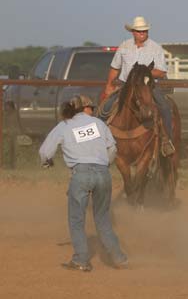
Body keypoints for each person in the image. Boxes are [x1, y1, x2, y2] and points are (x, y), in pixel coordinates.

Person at [39, 95, 128, 272]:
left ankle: (81, 260)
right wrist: (104, 165)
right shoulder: (99, 124)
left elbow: (45, 151)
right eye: (91, 107)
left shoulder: (64, 125)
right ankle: (118, 257)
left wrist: (47, 162)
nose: (93, 110)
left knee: (76, 219)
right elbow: (113, 148)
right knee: (102, 219)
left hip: (80, 174)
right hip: (103, 174)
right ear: (85, 108)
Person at [101, 16, 174, 155]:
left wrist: (144, 74)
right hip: (125, 85)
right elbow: (115, 67)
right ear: (133, 32)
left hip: (147, 85)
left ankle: (166, 140)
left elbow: (161, 71)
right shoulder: (124, 46)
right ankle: (100, 141)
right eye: (139, 31)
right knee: (105, 107)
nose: (143, 33)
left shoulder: (155, 48)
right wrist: (109, 84)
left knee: (164, 107)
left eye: (145, 31)